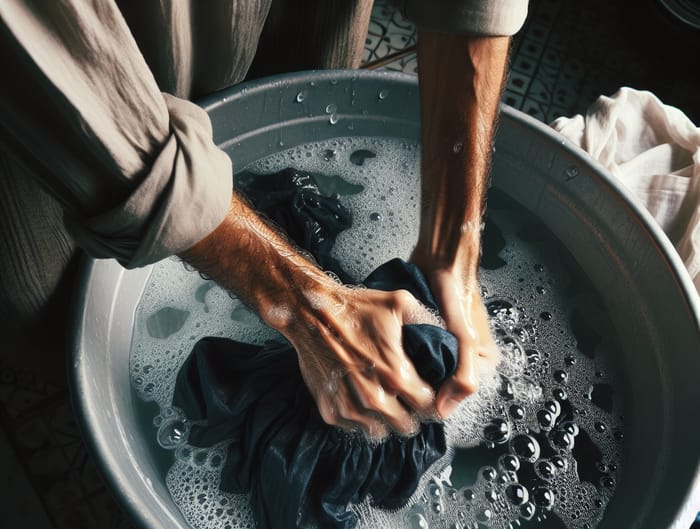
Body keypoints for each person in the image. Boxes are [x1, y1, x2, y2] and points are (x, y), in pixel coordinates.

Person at [0, 0, 528, 438]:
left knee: (295, 95)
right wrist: (304, 305)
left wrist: (453, 244)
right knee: (63, 308)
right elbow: (36, 47)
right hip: (55, 100)